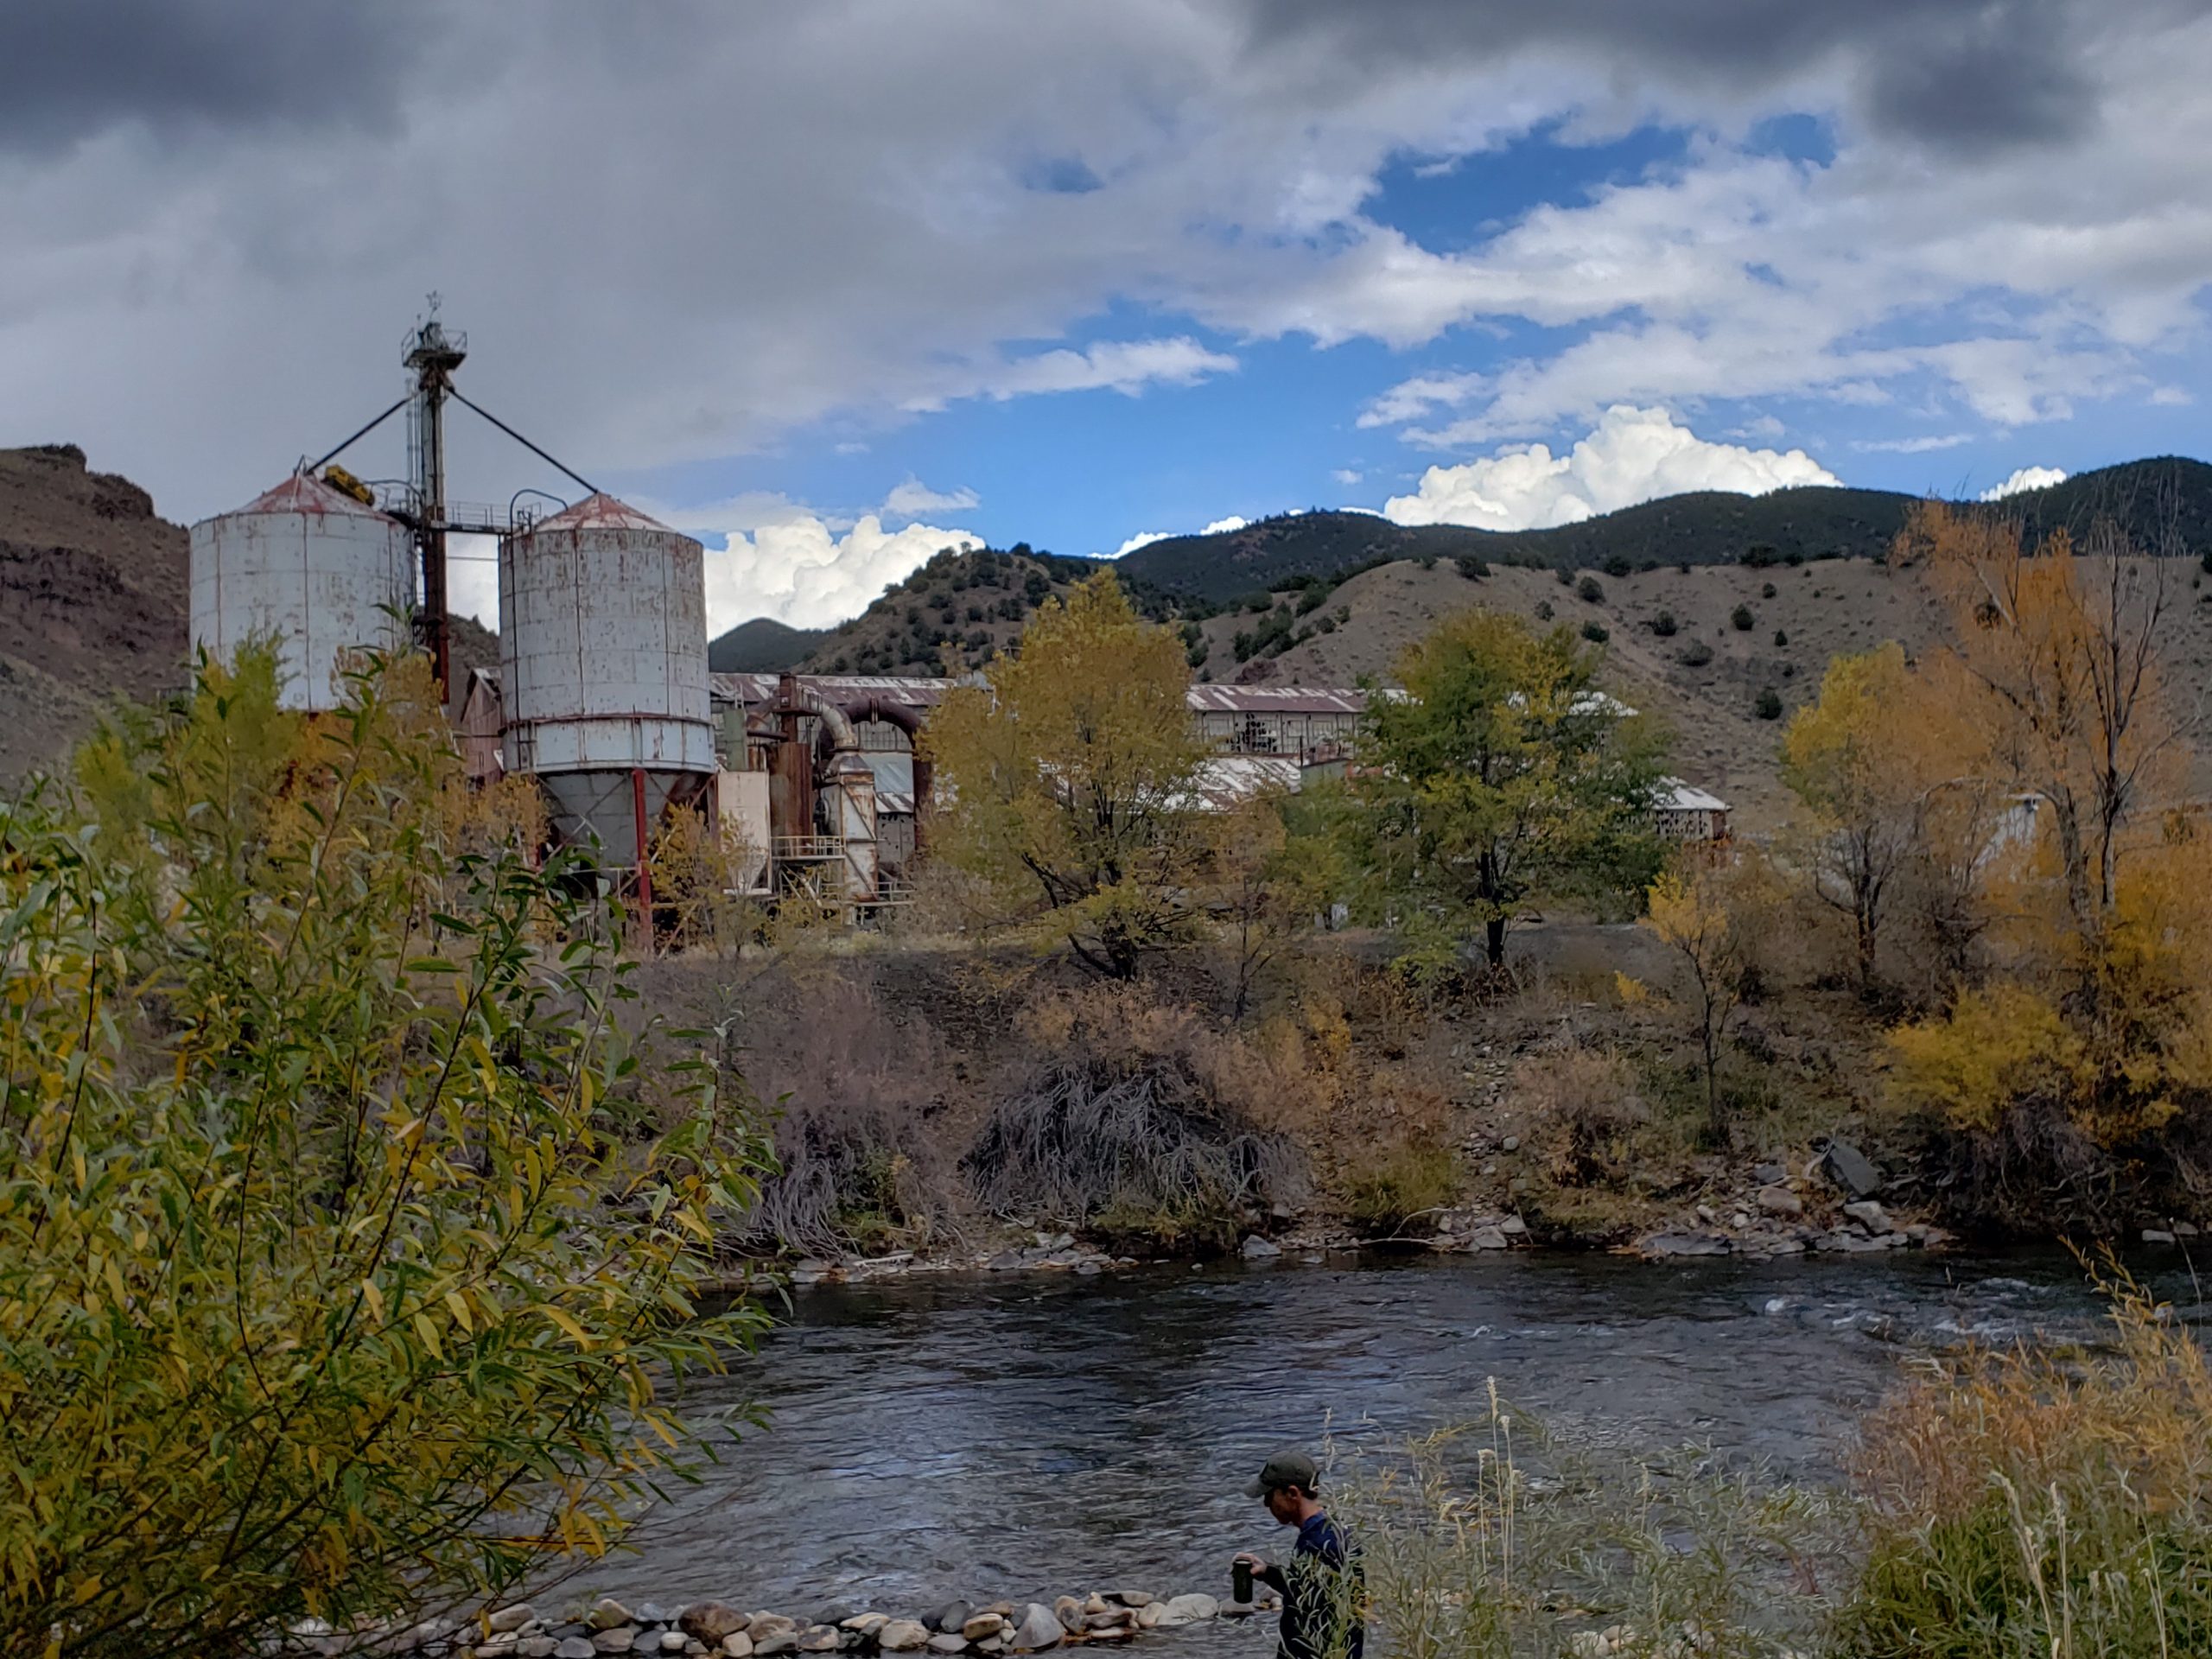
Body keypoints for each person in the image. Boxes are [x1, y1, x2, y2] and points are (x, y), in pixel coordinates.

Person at [1233, 1449, 1363, 1659]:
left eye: (1269, 1495)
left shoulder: (1321, 1544)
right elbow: (1310, 1595)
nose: (1266, 1504)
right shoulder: (1330, 1533)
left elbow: (1319, 1624)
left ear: (1292, 1494)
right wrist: (1267, 1572)